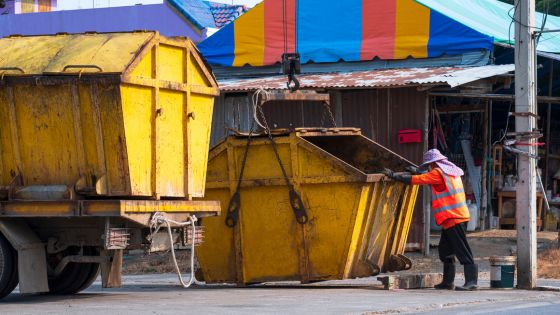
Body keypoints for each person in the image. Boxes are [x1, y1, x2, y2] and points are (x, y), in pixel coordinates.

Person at [383, 148, 477, 291]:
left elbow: (420, 180)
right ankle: (448, 282)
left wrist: (395, 176)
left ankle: (472, 282)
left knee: (462, 250)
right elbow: (428, 176)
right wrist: (418, 171)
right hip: (453, 218)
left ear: (433, 164)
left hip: (454, 218)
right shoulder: (451, 171)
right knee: (445, 251)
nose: (429, 167)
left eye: (429, 165)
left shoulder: (438, 173)